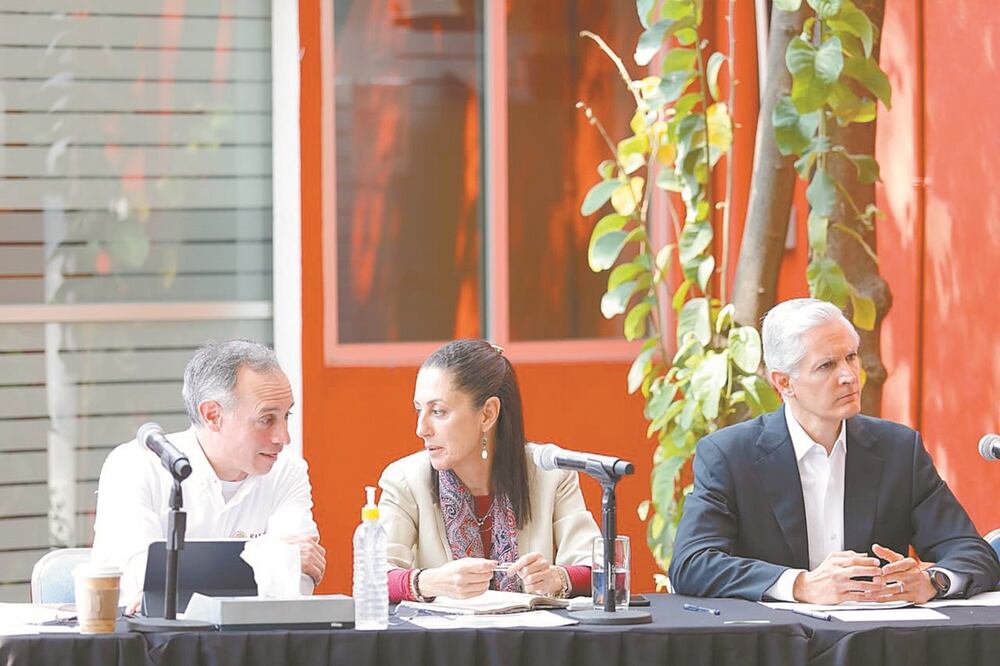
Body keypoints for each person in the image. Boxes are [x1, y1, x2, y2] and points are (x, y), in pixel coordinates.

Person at [668, 298, 1000, 603]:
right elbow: (692, 563)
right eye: (826, 365)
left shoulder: (899, 449)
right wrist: (801, 585)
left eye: (851, 357)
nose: (848, 376)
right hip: (775, 645)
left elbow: (972, 552)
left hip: (878, 644)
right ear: (784, 383)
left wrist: (933, 581)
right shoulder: (729, 455)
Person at [92, 339, 326, 606]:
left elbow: (301, 581)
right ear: (213, 415)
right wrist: (279, 560)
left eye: (287, 416)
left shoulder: (288, 470)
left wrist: (283, 566)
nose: (283, 437)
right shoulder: (135, 465)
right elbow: (146, 583)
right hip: (152, 645)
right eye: (266, 419)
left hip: (252, 643)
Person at [377, 339, 601, 602]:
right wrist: (431, 582)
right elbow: (374, 575)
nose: (421, 429)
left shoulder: (550, 472)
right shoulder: (404, 479)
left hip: (532, 640)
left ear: (487, 414)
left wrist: (557, 578)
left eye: (437, 411)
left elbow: (601, 569)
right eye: (418, 410)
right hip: (444, 641)